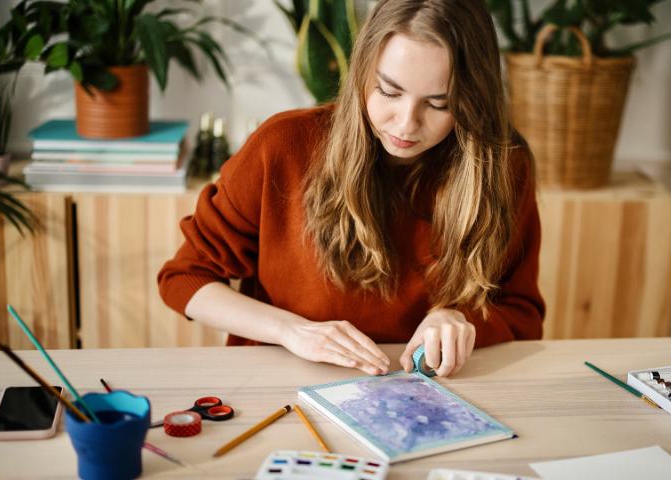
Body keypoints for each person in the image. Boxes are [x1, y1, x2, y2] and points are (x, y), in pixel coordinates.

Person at [157, 0, 544, 378]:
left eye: (439, 104)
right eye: (389, 92)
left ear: (473, 100)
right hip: (281, 388)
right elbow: (186, 280)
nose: (407, 124)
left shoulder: (505, 168)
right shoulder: (282, 146)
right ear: (361, 72)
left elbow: (522, 313)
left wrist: (460, 318)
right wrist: (290, 331)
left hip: (425, 396)